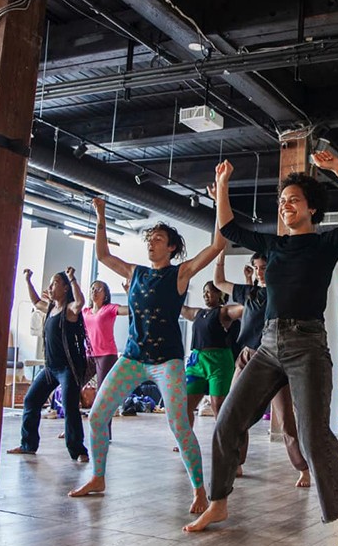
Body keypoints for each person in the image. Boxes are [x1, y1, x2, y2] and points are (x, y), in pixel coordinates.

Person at [184, 152, 338, 546]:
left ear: (311, 208)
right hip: (269, 346)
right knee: (226, 422)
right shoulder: (273, 246)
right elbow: (227, 226)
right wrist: (221, 187)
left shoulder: (326, 242)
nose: (285, 206)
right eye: (281, 201)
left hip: (307, 346)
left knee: (315, 438)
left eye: (293, 200)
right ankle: (219, 502)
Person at [69, 197, 225, 514]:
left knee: (179, 424)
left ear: (171, 248)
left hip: (167, 361)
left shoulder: (180, 274)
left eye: (158, 240)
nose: (151, 244)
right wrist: (101, 215)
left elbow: (218, 243)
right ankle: (98, 476)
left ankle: (199, 490)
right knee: (98, 415)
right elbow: (102, 254)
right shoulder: (135, 272)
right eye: (149, 239)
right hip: (132, 357)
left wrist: (220, 194)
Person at [215, 251, 311, 487]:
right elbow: (219, 282)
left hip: (273, 360)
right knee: (234, 410)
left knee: (286, 421)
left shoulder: (283, 294)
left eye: (264, 267)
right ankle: (237, 462)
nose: (259, 271)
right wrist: (220, 255)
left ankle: (303, 468)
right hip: (247, 356)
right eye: (256, 267)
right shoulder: (249, 293)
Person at [7, 268, 88, 460]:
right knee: (31, 400)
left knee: (69, 407)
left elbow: (80, 302)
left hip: (68, 368)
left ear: (66, 288)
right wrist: (28, 281)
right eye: (50, 284)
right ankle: (28, 445)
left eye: (54, 284)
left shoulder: (69, 310)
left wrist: (72, 279)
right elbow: (36, 302)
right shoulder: (51, 308)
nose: (50, 287)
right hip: (50, 368)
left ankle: (78, 451)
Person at [180, 281, 237, 430]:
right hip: (196, 361)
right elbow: (182, 308)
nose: (205, 294)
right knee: (184, 406)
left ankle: (224, 444)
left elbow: (242, 309)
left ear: (220, 294)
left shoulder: (224, 312)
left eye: (209, 291)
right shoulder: (198, 313)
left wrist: (250, 283)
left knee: (218, 407)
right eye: (204, 291)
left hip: (218, 362)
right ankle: (186, 442)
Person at [78, 280, 128, 436]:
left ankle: (105, 432)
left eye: (99, 289)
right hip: (90, 355)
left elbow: (131, 310)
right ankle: (72, 428)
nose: (94, 290)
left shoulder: (109, 309)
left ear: (105, 294)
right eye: (92, 288)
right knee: (72, 387)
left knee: (103, 394)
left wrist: (128, 293)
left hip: (107, 356)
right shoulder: (85, 312)